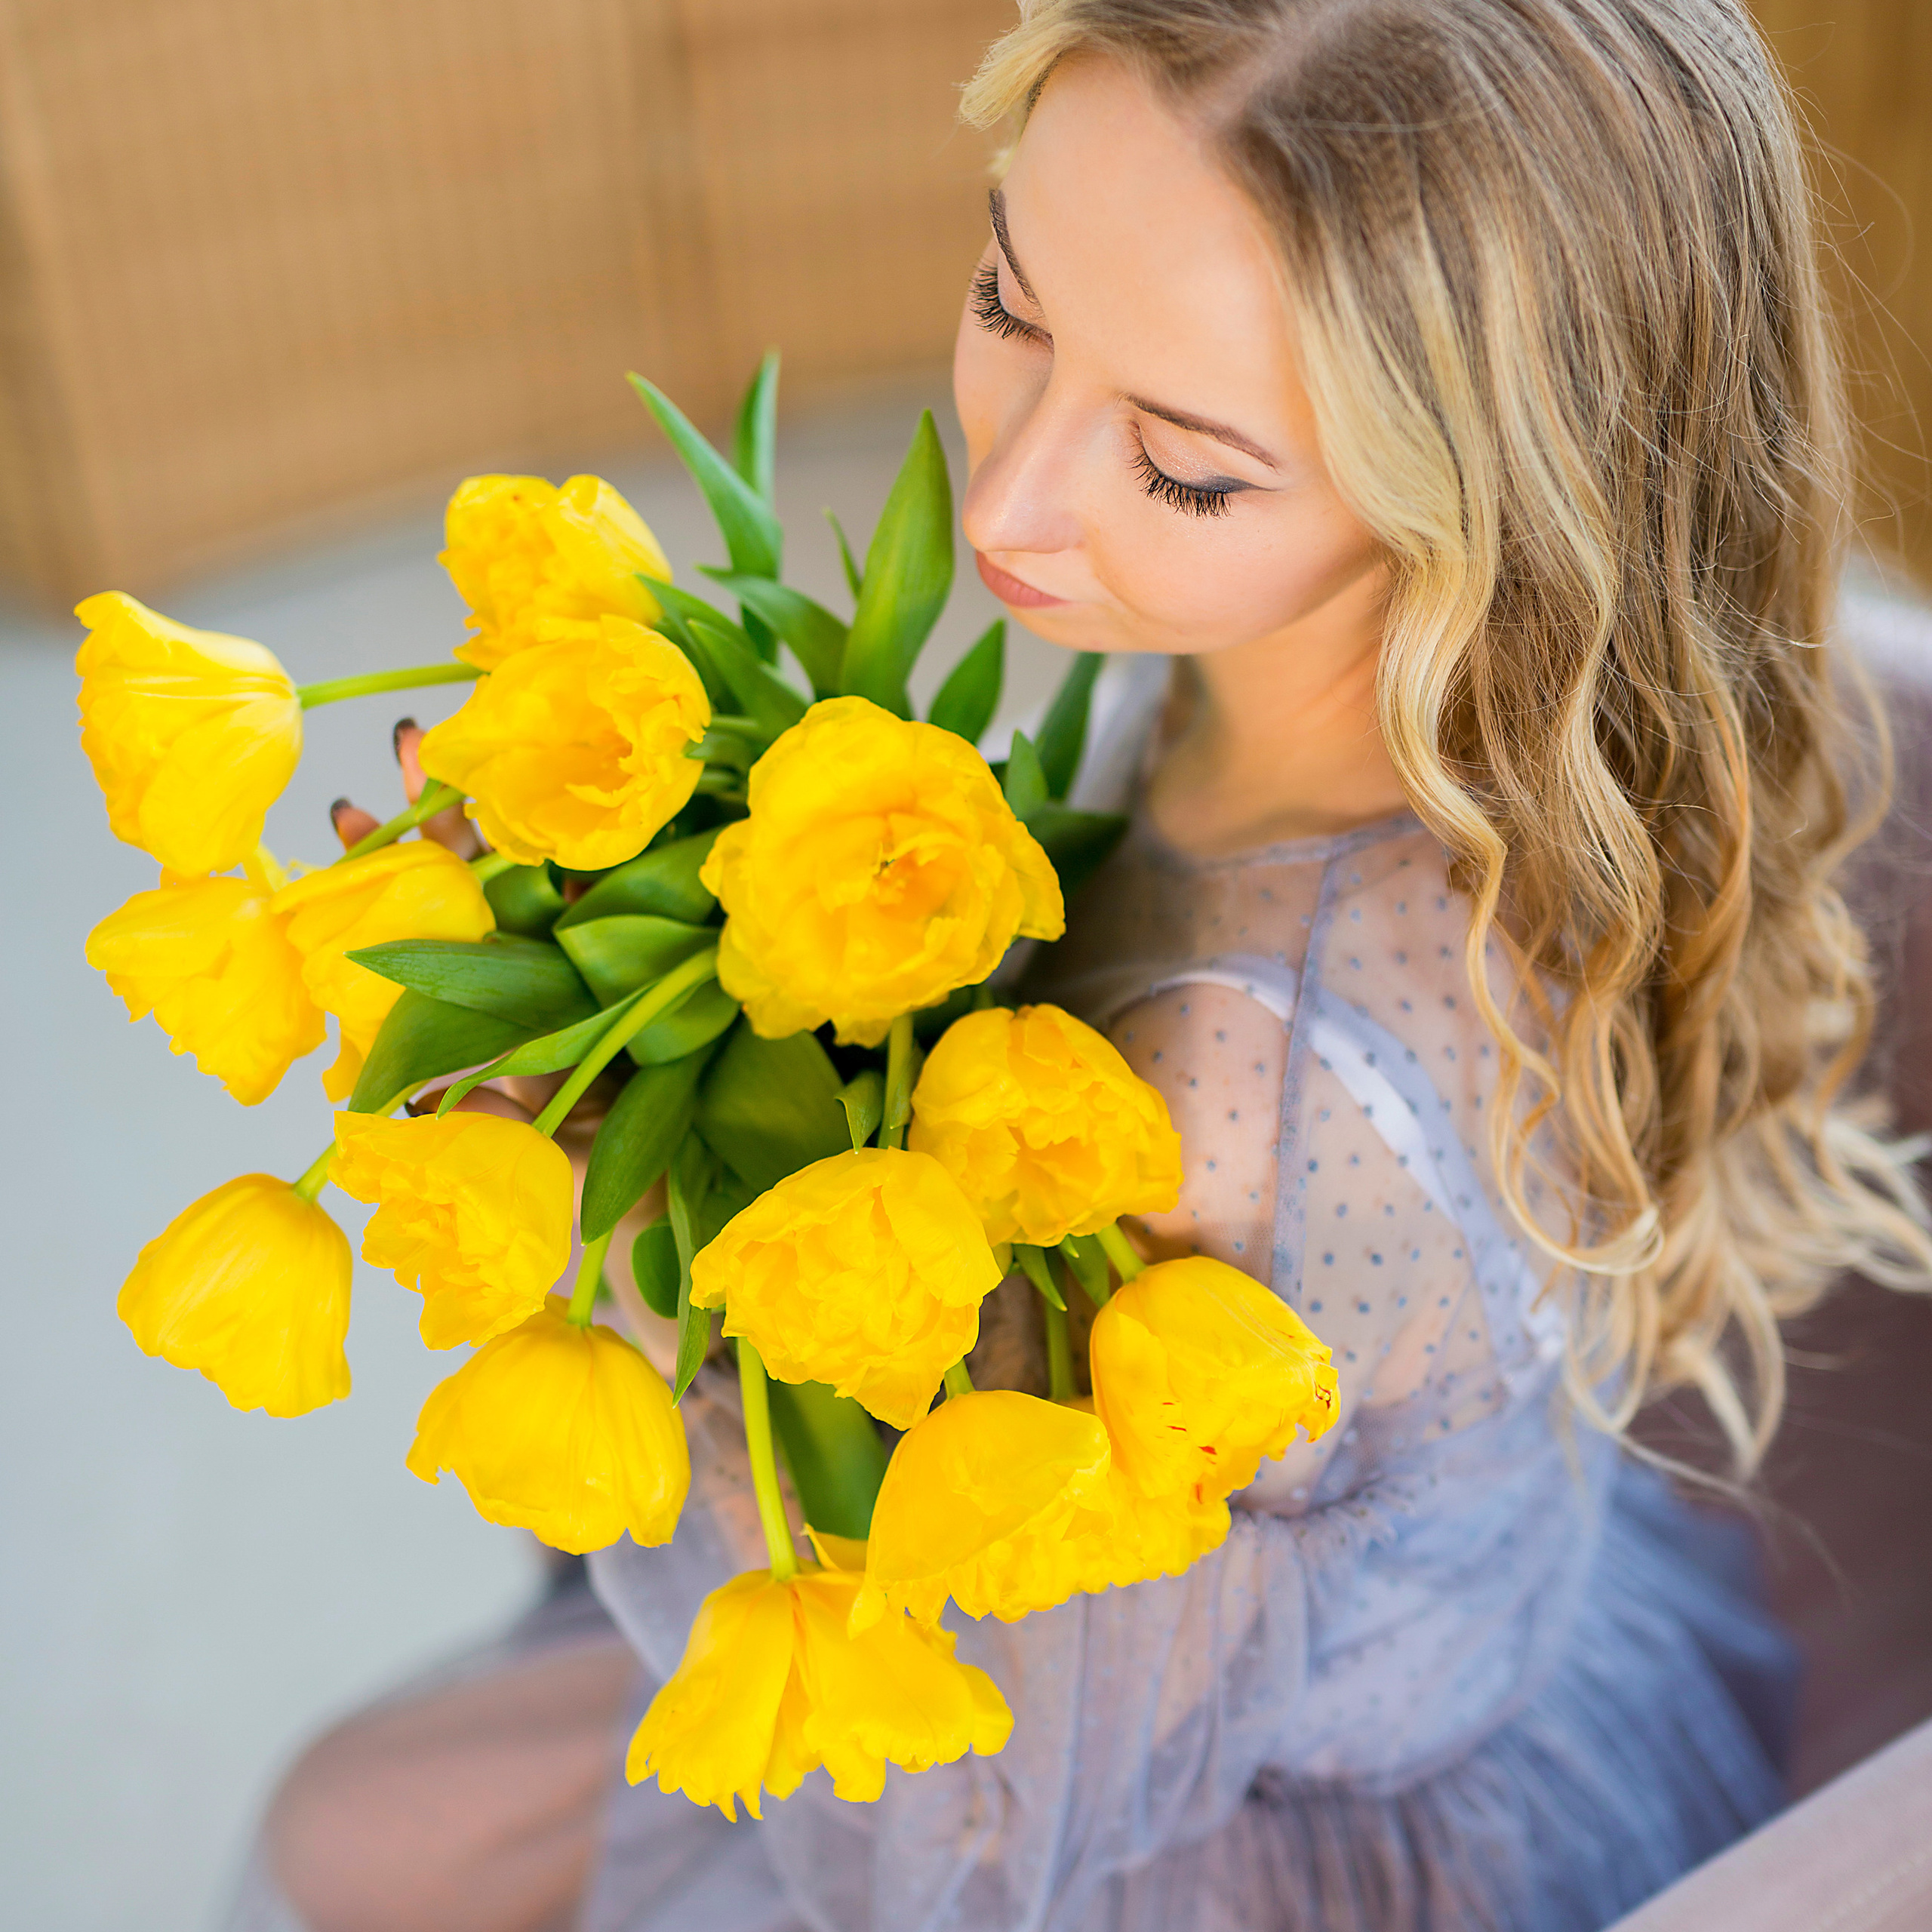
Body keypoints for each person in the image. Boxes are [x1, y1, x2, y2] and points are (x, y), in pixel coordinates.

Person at [232, 2, 1932, 1927]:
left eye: (1183, 470)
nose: (1010, 504)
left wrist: (576, 1148)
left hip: (1162, 1787)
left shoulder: (1232, 1087)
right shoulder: (1411, 701)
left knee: (350, 1840)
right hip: (1398, 1600)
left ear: (1496, 494)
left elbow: (1000, 1744)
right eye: (1007, 298)